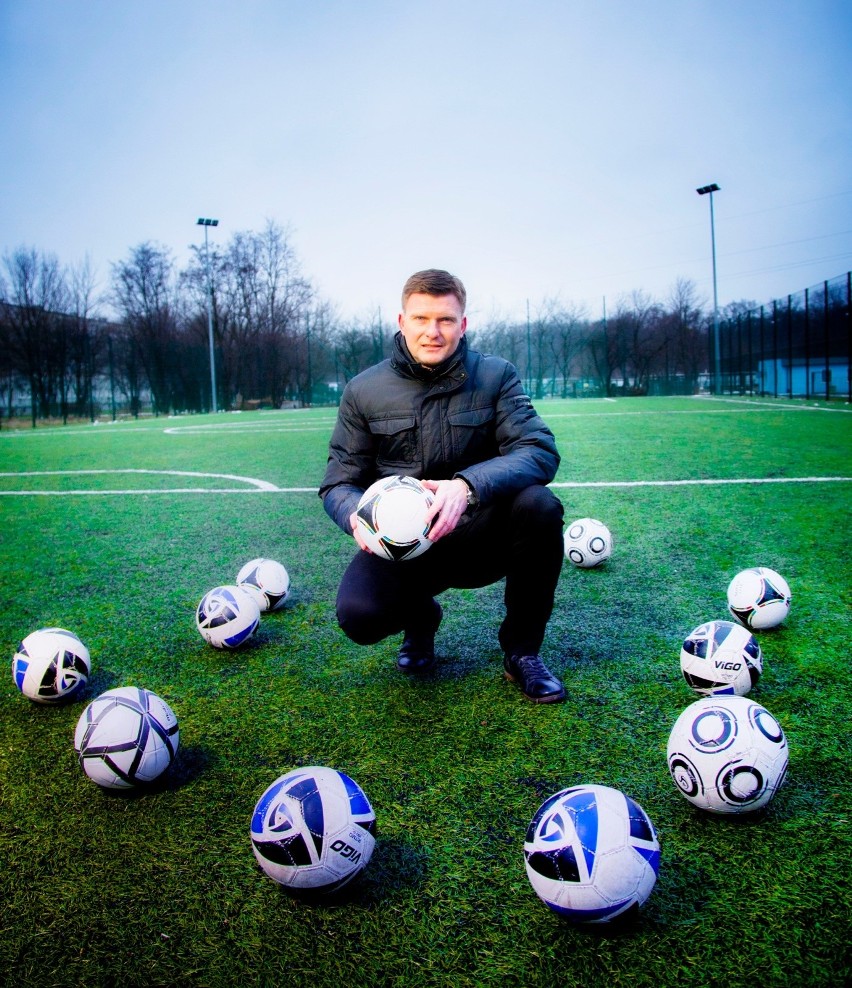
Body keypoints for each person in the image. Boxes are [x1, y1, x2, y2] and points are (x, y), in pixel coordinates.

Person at [319, 269, 566, 703]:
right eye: (421, 319)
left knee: (540, 506)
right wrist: (354, 513)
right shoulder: (363, 390)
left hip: (482, 533)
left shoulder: (494, 376)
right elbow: (338, 482)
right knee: (359, 617)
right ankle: (420, 618)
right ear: (402, 321)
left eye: (446, 320)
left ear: (463, 324)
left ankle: (522, 653)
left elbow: (539, 449)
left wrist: (467, 486)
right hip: (404, 545)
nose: (433, 332)